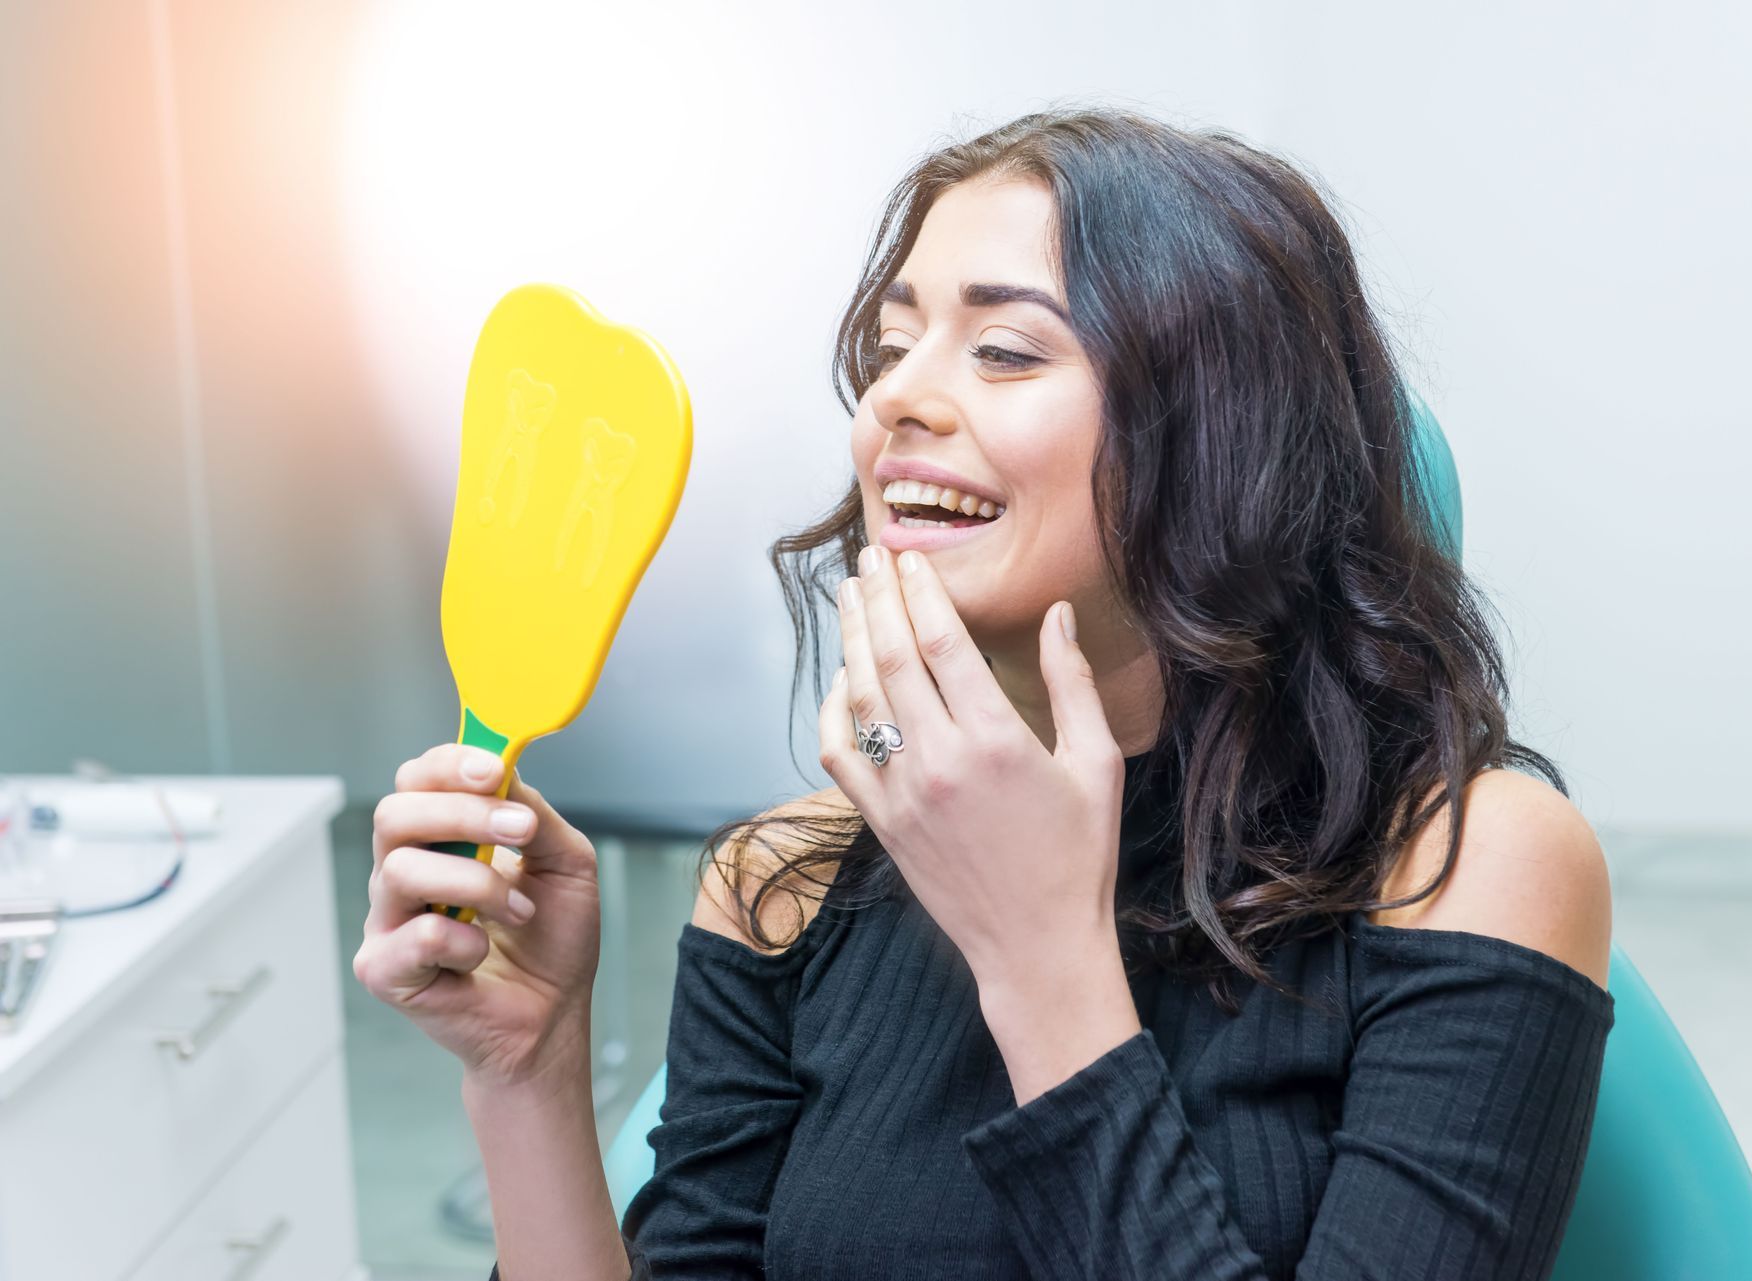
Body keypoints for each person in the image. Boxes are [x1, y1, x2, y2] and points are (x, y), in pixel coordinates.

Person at [355, 105, 1615, 1280]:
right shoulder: (778, 884)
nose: (896, 395)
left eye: (1006, 349)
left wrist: (1037, 961)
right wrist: (525, 1072)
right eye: (894, 345)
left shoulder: (1461, 863)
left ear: (1228, 438)